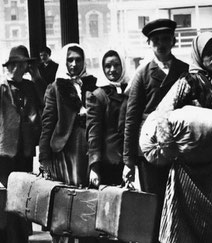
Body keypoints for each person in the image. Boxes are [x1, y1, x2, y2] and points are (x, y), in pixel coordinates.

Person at [150, 32, 212, 243]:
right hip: (189, 170)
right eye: (208, 53)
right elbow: (163, 111)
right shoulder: (188, 81)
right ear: (199, 55)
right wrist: (169, 148)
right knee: (187, 226)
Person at [0, 45, 45, 243]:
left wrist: (36, 77)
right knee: (9, 202)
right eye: (24, 64)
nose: (26, 67)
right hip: (3, 154)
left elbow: (44, 104)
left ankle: (21, 239)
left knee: (23, 200)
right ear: (15, 66)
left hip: (24, 152)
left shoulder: (29, 86)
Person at [123, 18, 189, 209]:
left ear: (173, 41)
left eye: (166, 39)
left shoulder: (184, 70)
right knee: (153, 203)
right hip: (149, 148)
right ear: (149, 44)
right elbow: (132, 118)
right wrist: (129, 161)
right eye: (156, 40)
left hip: (177, 146)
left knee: (177, 202)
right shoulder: (142, 74)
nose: (161, 44)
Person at [39, 44, 97, 185]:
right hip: (66, 147)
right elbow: (48, 123)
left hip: (88, 145)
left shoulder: (92, 84)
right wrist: (44, 156)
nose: (74, 64)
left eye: (78, 60)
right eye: (70, 60)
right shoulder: (55, 88)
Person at [87, 50, 128, 187]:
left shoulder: (130, 91)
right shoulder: (98, 95)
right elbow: (94, 133)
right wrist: (94, 167)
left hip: (128, 159)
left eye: (117, 65)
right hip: (108, 161)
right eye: (108, 66)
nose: (112, 70)